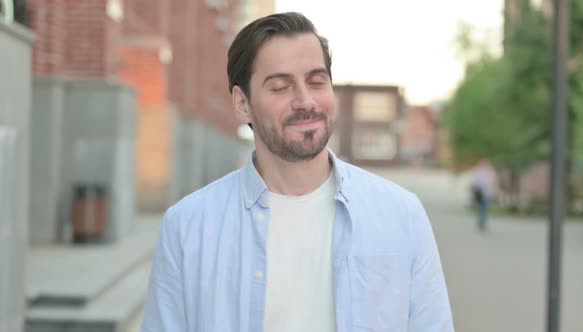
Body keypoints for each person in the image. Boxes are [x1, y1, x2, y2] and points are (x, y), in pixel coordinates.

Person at [141, 12, 454, 332]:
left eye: (317, 82)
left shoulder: (400, 215)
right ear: (242, 103)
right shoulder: (189, 227)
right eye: (280, 87)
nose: (305, 100)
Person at [471, 158, 496, 232]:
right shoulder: (478, 170)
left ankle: (482, 223)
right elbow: (476, 181)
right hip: (480, 193)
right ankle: (481, 223)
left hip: (487, 193)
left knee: (484, 208)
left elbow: (492, 181)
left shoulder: (489, 170)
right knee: (481, 208)